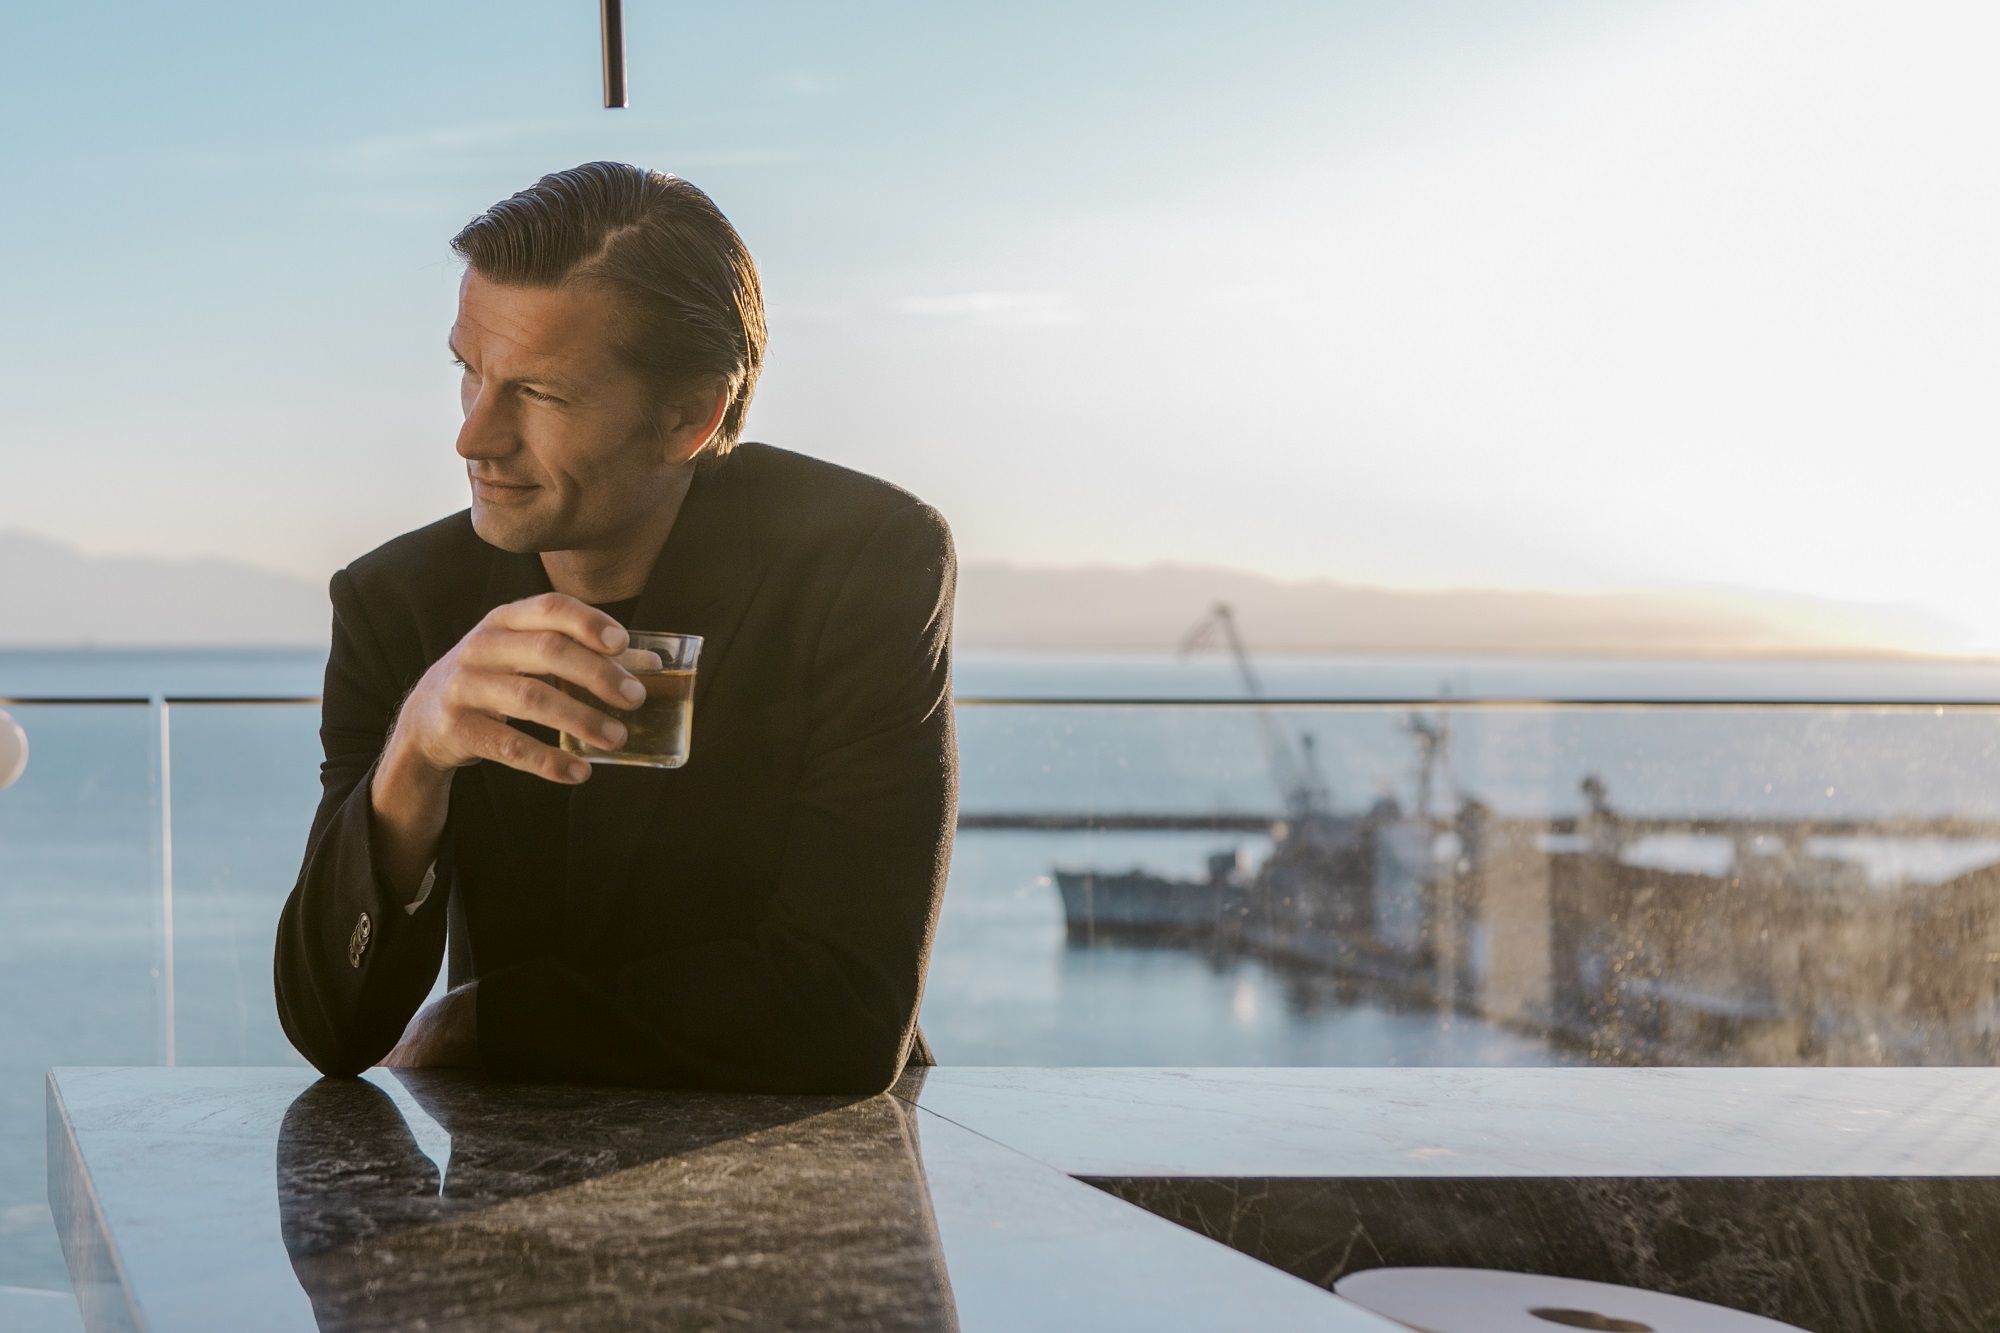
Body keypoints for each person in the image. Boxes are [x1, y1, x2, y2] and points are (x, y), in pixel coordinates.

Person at [273, 162, 956, 1094]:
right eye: (469, 374)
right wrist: (413, 760)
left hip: (814, 1159)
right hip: (505, 1185)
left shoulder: (862, 561)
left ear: (688, 418)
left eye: (539, 394)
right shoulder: (397, 603)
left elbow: (841, 1012)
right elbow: (330, 1026)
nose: (473, 437)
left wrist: (489, 1017)